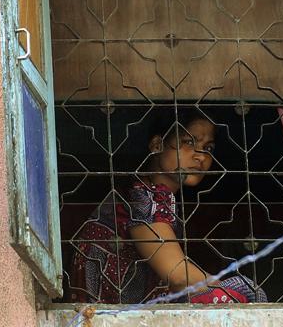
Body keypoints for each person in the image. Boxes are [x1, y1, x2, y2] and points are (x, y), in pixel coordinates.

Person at [69, 109, 266, 304]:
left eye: (208, 148)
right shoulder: (144, 197)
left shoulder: (147, 193)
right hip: (105, 315)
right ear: (157, 145)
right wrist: (239, 288)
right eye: (189, 142)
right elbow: (178, 275)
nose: (201, 156)